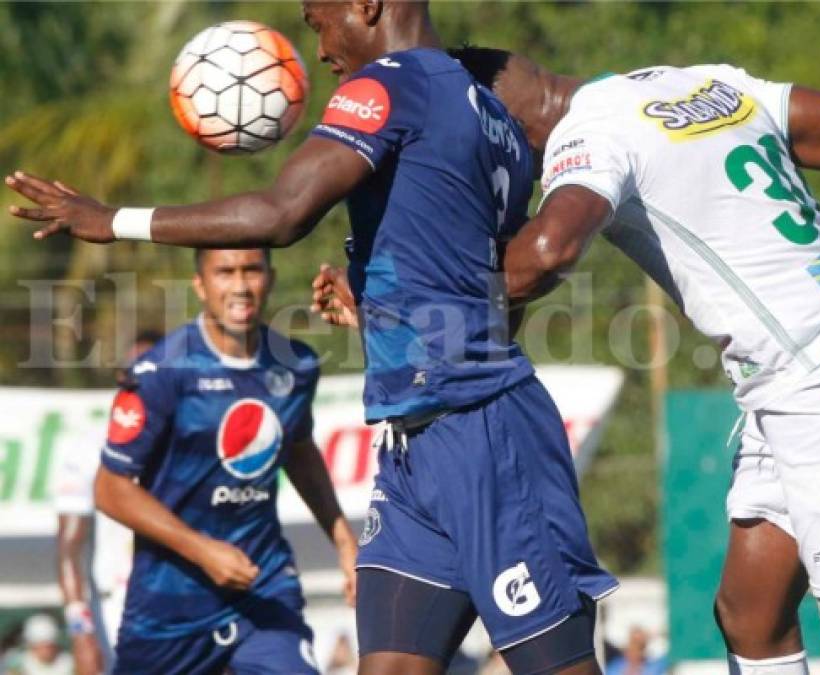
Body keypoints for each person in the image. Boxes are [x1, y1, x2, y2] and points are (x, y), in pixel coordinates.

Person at [5, 2, 619, 673]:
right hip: (412, 445)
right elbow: (496, 292)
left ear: (365, 5)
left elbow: (281, 212)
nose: (315, 42)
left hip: (483, 438)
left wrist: (111, 218)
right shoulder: (496, 120)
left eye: (316, 16)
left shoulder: (391, 84)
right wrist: (384, 314)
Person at [443, 47, 820, 674]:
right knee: (750, 613)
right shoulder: (701, 84)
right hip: (796, 377)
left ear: (491, 118)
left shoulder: (591, 133)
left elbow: (547, 252)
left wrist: (414, 297)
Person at [90, 247, 356, 674]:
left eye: (251, 270)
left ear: (269, 276)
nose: (239, 286)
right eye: (224, 272)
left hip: (263, 583)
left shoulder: (297, 365)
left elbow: (300, 452)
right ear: (200, 285)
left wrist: (345, 542)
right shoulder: (161, 371)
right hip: (170, 602)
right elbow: (109, 488)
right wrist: (204, 552)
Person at [54, 330, 161, 675]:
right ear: (122, 377)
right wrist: (80, 631)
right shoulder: (88, 446)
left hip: (189, 595)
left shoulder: (195, 439)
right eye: (138, 371)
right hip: (121, 599)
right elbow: (70, 546)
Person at [3, 614, 73, 675]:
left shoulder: (69, 663)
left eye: (49, 646)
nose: (46, 650)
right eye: (41, 645)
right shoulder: (17, 664)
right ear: (31, 645)